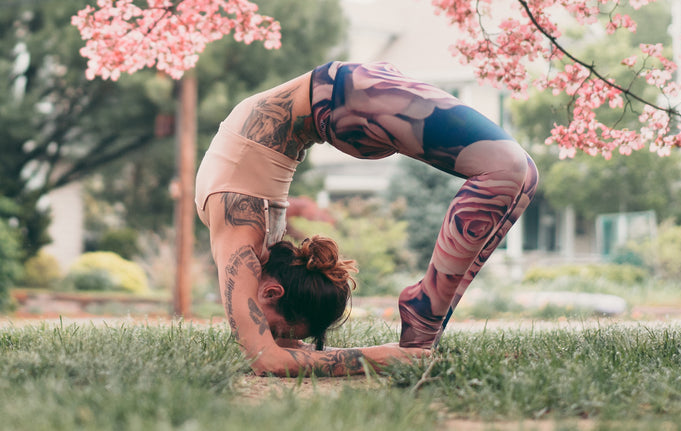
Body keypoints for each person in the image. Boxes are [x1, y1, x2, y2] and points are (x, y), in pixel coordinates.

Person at [195, 61, 539, 377]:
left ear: (272, 292)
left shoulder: (239, 238)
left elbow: (267, 360)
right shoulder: (262, 257)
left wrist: (373, 357)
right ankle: (434, 318)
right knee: (522, 175)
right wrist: (383, 353)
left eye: (279, 332)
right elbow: (286, 354)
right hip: (342, 100)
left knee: (510, 170)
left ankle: (426, 309)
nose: (278, 339)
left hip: (340, 96)